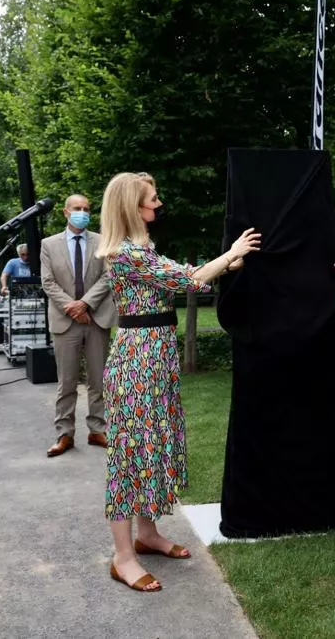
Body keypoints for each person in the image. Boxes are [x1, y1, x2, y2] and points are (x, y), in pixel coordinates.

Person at [97, 171, 257, 592]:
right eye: (152, 199)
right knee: (130, 457)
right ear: (132, 207)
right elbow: (185, 280)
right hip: (137, 363)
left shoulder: (143, 249)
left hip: (155, 359)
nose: (158, 204)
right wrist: (230, 254)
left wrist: (223, 264)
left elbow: (180, 273)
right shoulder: (126, 252)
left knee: (150, 447)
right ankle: (122, 556)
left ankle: (147, 536)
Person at [40, 194, 117, 457]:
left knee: (98, 379)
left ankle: (97, 429)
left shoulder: (102, 242)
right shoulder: (48, 245)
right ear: (65, 212)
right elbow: (48, 282)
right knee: (67, 381)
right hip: (65, 321)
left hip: (96, 318)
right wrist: (72, 308)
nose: (82, 212)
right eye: (77, 208)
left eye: (86, 209)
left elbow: (109, 276)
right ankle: (64, 434)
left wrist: (84, 304)